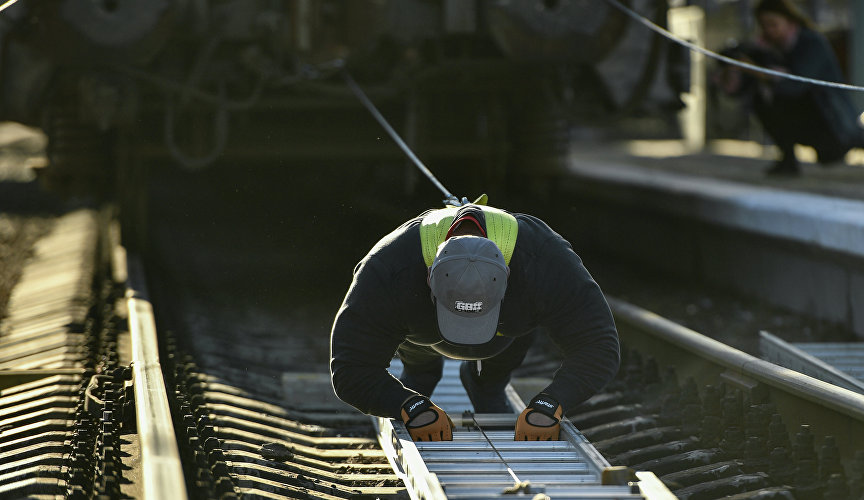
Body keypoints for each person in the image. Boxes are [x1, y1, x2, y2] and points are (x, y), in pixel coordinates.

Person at [329, 201, 620, 441]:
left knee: (516, 326)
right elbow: (350, 368)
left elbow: (599, 347)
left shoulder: (544, 262)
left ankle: (487, 383)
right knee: (418, 361)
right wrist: (408, 405)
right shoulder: (389, 269)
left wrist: (550, 403)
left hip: (507, 332)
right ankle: (420, 374)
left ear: (508, 275)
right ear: (429, 277)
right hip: (420, 331)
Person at [714, 0, 863, 176]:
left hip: (833, 121)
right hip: (808, 121)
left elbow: (794, 86)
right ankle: (788, 160)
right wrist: (734, 72)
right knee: (761, 97)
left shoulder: (811, 42)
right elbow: (742, 91)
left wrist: (757, 70)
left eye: (773, 24)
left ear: (790, 21)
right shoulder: (769, 48)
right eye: (764, 25)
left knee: (851, 141)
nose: (769, 30)